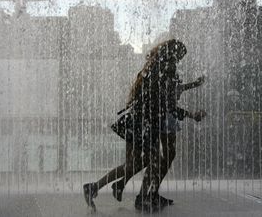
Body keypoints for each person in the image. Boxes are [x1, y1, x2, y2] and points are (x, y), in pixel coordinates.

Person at [83, 39, 206, 212]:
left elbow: (166, 96)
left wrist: (192, 87)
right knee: (147, 162)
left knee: (139, 162)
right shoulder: (163, 71)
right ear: (171, 56)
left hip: (142, 120)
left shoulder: (155, 67)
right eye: (178, 57)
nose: (178, 62)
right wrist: (191, 114)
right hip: (144, 122)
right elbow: (165, 103)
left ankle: (101, 187)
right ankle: (134, 195)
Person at [110, 74, 206, 205]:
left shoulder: (164, 84)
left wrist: (195, 83)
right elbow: (171, 107)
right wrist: (191, 114)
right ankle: (146, 194)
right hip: (162, 120)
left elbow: (181, 89)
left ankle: (142, 192)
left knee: (152, 159)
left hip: (159, 120)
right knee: (158, 158)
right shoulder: (163, 91)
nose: (178, 91)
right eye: (175, 87)